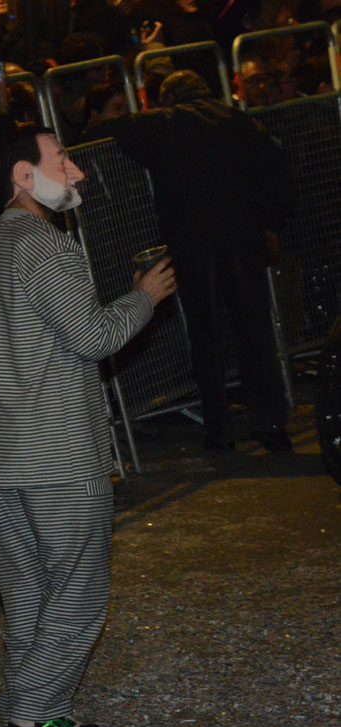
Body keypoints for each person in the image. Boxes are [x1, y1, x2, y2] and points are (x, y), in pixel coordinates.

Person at [0, 124, 177, 727]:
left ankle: (33, 708)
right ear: (24, 175)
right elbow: (94, 338)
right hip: (56, 452)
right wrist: (143, 298)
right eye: (63, 159)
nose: (76, 172)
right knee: (77, 590)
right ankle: (31, 708)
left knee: (27, 589)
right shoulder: (45, 247)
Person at [85, 70, 295, 452]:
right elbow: (278, 173)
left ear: (168, 98)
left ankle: (220, 430)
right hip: (242, 239)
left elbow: (116, 130)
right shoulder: (240, 121)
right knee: (255, 332)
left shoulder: (164, 124)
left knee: (206, 338)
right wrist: (270, 223)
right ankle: (270, 423)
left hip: (193, 246)